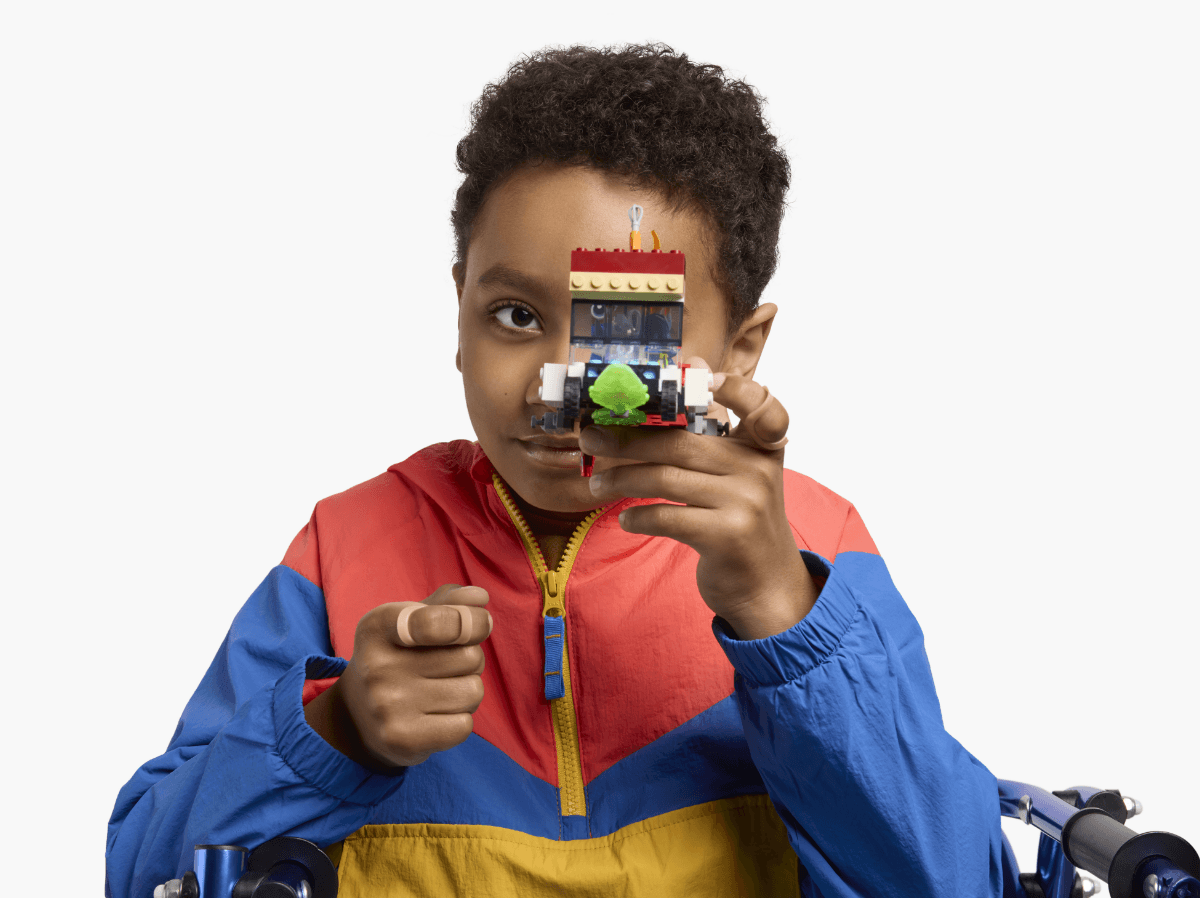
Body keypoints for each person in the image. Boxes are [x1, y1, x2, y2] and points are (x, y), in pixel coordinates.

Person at [107, 44, 1020, 897]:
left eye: (630, 335)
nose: (563, 391)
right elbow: (139, 864)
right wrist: (334, 730)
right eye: (512, 316)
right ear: (456, 310)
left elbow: (958, 877)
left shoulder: (814, 544)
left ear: (740, 351)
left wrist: (784, 615)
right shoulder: (342, 549)